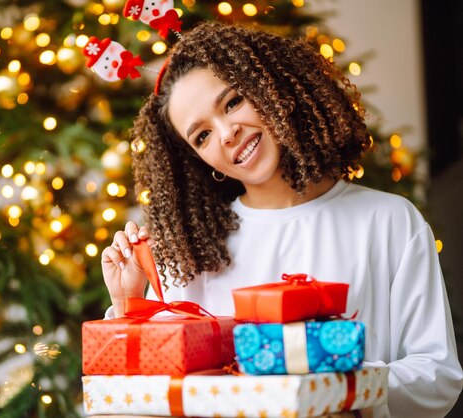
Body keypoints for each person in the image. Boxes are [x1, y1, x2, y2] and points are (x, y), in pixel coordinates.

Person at [99, 21, 463, 418]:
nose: (226, 133)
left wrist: (331, 391)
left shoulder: (389, 220)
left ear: (272, 89)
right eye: (201, 136)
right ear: (198, 162)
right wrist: (129, 304)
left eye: (233, 102)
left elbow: (436, 374)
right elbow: (141, 395)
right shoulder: (191, 252)